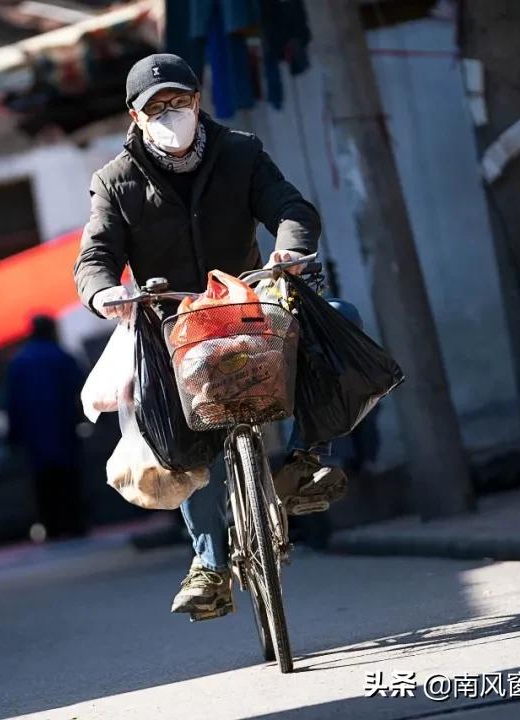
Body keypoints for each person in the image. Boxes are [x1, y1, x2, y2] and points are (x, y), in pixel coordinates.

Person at [73, 54, 352, 621]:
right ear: (135, 116)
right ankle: (209, 564)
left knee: (339, 321)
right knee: (180, 436)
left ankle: (305, 459)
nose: (170, 114)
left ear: (198, 101)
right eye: (156, 108)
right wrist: (106, 295)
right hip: (174, 326)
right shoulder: (114, 181)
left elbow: (291, 207)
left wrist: (291, 249)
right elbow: (94, 258)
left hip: (250, 306)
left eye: (179, 102)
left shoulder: (242, 152)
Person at [6, 315, 88, 539]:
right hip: (64, 430)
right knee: (69, 479)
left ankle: (51, 527)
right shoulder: (62, 357)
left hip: (34, 436)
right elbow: (82, 390)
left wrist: (13, 434)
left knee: (43, 482)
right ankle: (74, 525)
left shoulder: (19, 362)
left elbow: (13, 401)